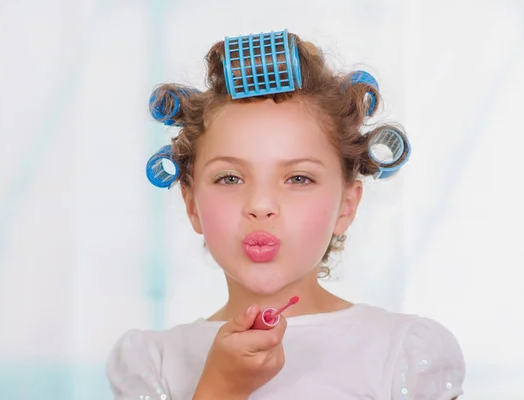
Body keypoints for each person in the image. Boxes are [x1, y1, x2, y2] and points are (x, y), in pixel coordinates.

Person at [106, 29, 466, 399]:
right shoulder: (155, 363)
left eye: (298, 178)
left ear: (347, 205)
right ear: (191, 204)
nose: (261, 206)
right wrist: (221, 387)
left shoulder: (403, 355)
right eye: (230, 178)